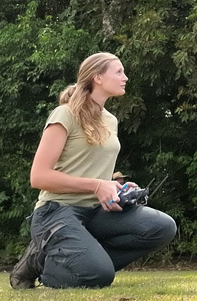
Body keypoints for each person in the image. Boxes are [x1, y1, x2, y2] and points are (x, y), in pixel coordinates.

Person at [9, 52, 177, 289]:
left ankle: (83, 258)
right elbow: (39, 176)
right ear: (97, 77)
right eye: (119, 72)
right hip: (56, 211)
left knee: (162, 227)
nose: (125, 77)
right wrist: (97, 186)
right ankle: (42, 262)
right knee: (99, 276)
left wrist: (114, 187)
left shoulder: (110, 120)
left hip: (97, 212)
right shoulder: (64, 114)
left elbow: (88, 167)